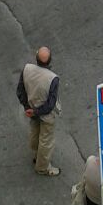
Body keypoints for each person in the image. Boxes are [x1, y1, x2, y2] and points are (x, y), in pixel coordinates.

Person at [16, 46, 61, 176]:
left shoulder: (27, 69)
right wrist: (36, 111)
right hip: (45, 115)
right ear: (50, 60)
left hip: (31, 108)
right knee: (46, 140)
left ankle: (37, 155)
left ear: (36, 58)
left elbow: (20, 91)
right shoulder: (53, 78)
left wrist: (28, 108)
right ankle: (42, 167)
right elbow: (50, 104)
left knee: (35, 132)